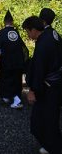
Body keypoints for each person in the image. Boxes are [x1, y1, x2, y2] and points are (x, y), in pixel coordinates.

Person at [22, 16, 62, 154]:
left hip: (48, 86)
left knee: (41, 120)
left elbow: (39, 69)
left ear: (33, 30)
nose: (28, 35)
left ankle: (53, 147)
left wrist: (32, 90)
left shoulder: (42, 44)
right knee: (52, 117)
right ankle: (52, 145)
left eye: (27, 32)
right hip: (56, 83)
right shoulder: (53, 33)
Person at [0, 10, 29, 108]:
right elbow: (24, 49)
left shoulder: (1, 33)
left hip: (6, 63)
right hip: (18, 63)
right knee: (16, 81)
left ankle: (6, 97)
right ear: (12, 22)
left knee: (5, 80)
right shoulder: (16, 34)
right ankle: (17, 100)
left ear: (4, 22)